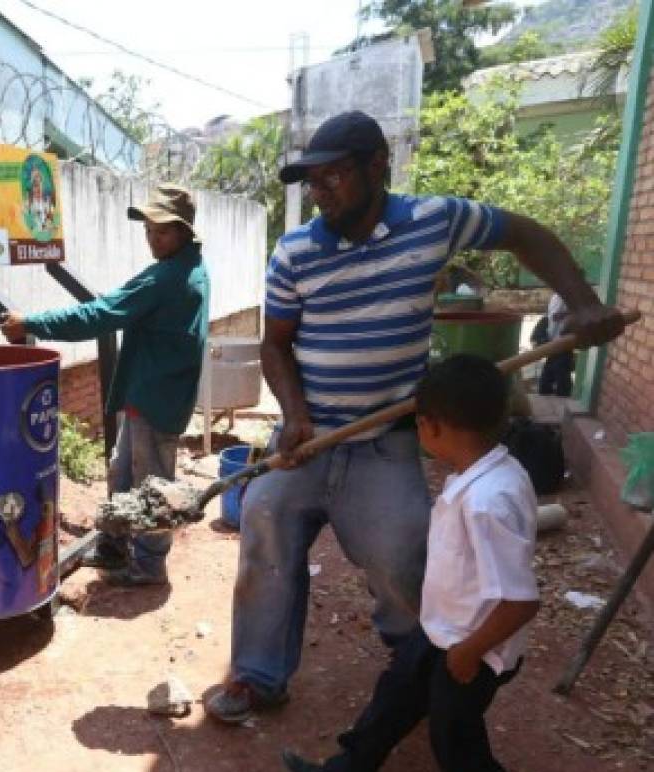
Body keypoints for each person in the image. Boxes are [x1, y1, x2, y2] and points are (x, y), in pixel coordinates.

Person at [206, 110, 624, 723]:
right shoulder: (295, 251)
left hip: (386, 441)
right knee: (265, 522)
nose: (320, 192)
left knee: (404, 553)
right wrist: (294, 414)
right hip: (310, 435)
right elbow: (276, 345)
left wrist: (583, 302)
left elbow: (524, 233)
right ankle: (258, 676)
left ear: (379, 166)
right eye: (313, 181)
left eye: (335, 176)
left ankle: (420, 669)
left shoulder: (435, 221)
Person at [281, 354, 539, 772]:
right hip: (445, 631)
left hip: (473, 649)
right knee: (397, 693)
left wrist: (467, 652)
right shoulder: (485, 472)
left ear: (431, 426)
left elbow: (520, 600)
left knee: (456, 742)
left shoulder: (488, 501)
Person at [0, 183, 209, 587]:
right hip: (151, 393)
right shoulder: (190, 266)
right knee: (121, 472)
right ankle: (115, 545)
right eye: (149, 229)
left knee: (153, 488)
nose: (152, 238)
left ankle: (149, 566)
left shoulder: (167, 277)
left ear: (184, 232)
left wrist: (32, 324)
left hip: (157, 399)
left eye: (162, 231)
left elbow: (99, 315)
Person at [538, 291, 574, 397]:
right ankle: (558, 392)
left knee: (556, 368)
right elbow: (553, 316)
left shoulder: (564, 297)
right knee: (559, 370)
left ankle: (550, 390)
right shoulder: (558, 297)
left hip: (560, 339)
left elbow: (554, 316)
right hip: (556, 339)